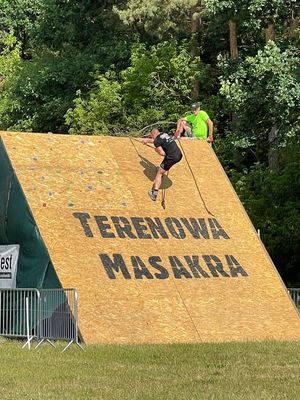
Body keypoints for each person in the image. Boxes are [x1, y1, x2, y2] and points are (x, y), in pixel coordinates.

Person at [142, 128, 182, 201]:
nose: (151, 138)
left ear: (153, 134)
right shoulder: (164, 134)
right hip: (179, 154)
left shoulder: (156, 141)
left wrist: (156, 150)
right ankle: (162, 169)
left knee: (159, 173)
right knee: (162, 167)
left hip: (171, 157)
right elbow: (157, 141)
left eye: (151, 136)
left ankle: (154, 193)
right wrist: (147, 141)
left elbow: (162, 153)